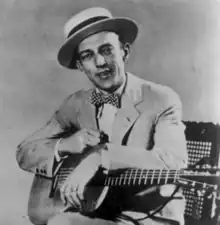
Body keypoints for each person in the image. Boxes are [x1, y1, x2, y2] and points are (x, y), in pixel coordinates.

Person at [16, 7, 188, 225]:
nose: (100, 62)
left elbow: (174, 161)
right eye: (88, 56)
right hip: (97, 212)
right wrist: (65, 144)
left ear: (124, 51)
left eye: (106, 50)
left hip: (147, 217)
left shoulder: (161, 98)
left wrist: (100, 157)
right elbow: (25, 152)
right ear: (80, 66)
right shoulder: (76, 104)